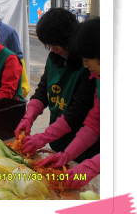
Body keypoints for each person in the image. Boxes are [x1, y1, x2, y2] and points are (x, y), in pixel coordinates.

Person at [14, 8, 99, 164]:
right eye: (49, 45)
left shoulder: (89, 67)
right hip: (58, 137)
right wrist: (28, 117)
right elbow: (43, 91)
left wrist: (43, 137)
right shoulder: (54, 57)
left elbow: (78, 112)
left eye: (55, 45)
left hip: (83, 144)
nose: (52, 50)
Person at [35, 17, 100, 189]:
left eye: (87, 60)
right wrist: (66, 155)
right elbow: (94, 123)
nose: (85, 65)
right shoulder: (99, 77)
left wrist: (92, 166)